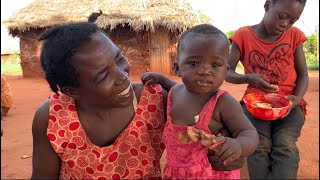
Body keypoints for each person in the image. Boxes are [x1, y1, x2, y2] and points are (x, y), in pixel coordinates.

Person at [31, 22, 245, 179]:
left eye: (119, 59)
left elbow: (223, 129)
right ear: (72, 91)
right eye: (103, 75)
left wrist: (233, 152)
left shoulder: (153, 101)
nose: (122, 76)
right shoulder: (53, 117)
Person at [141, 24, 259, 179]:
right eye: (194, 63)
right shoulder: (176, 92)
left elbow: (249, 133)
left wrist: (239, 145)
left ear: (226, 70)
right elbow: (174, 86)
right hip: (177, 173)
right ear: (177, 68)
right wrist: (161, 78)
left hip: (211, 174)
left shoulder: (223, 103)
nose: (205, 71)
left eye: (215, 65)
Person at [226, 0, 309, 179]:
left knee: (285, 144)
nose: (285, 24)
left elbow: (303, 75)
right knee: (258, 143)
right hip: (256, 104)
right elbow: (227, 72)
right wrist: (248, 78)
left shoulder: (295, 36)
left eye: (292, 21)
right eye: (282, 16)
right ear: (267, 5)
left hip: (289, 105)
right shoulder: (243, 35)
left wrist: (296, 99)